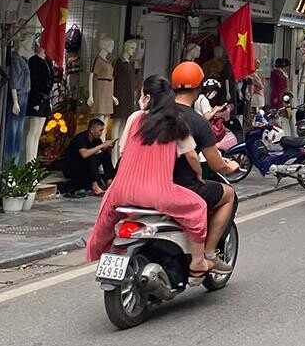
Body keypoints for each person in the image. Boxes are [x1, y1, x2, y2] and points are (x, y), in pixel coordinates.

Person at [84, 77, 221, 276]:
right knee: (198, 207)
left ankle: (96, 252)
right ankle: (198, 261)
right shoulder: (176, 122)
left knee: (106, 217)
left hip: (120, 190)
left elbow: (123, 151)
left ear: (147, 97)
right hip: (157, 193)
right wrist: (198, 174)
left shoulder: (134, 118)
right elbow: (191, 155)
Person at [171, 61, 241, 270]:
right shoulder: (197, 122)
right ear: (199, 88)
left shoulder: (152, 116)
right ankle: (207, 253)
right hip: (183, 186)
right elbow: (216, 164)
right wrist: (231, 166)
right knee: (228, 195)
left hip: (150, 182)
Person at [63, 118, 116, 196]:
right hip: (72, 167)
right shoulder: (81, 138)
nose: (101, 133)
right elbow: (84, 154)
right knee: (91, 157)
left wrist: (108, 147)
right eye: (100, 131)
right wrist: (102, 145)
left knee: (105, 155)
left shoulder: (96, 139)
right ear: (92, 130)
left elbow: (102, 151)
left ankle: (109, 180)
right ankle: (95, 186)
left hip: (85, 165)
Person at [196, 78, 238, 150]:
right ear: (210, 90)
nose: (215, 94)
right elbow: (207, 116)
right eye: (214, 92)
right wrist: (216, 110)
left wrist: (213, 109)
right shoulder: (204, 100)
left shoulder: (199, 98)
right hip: (205, 128)